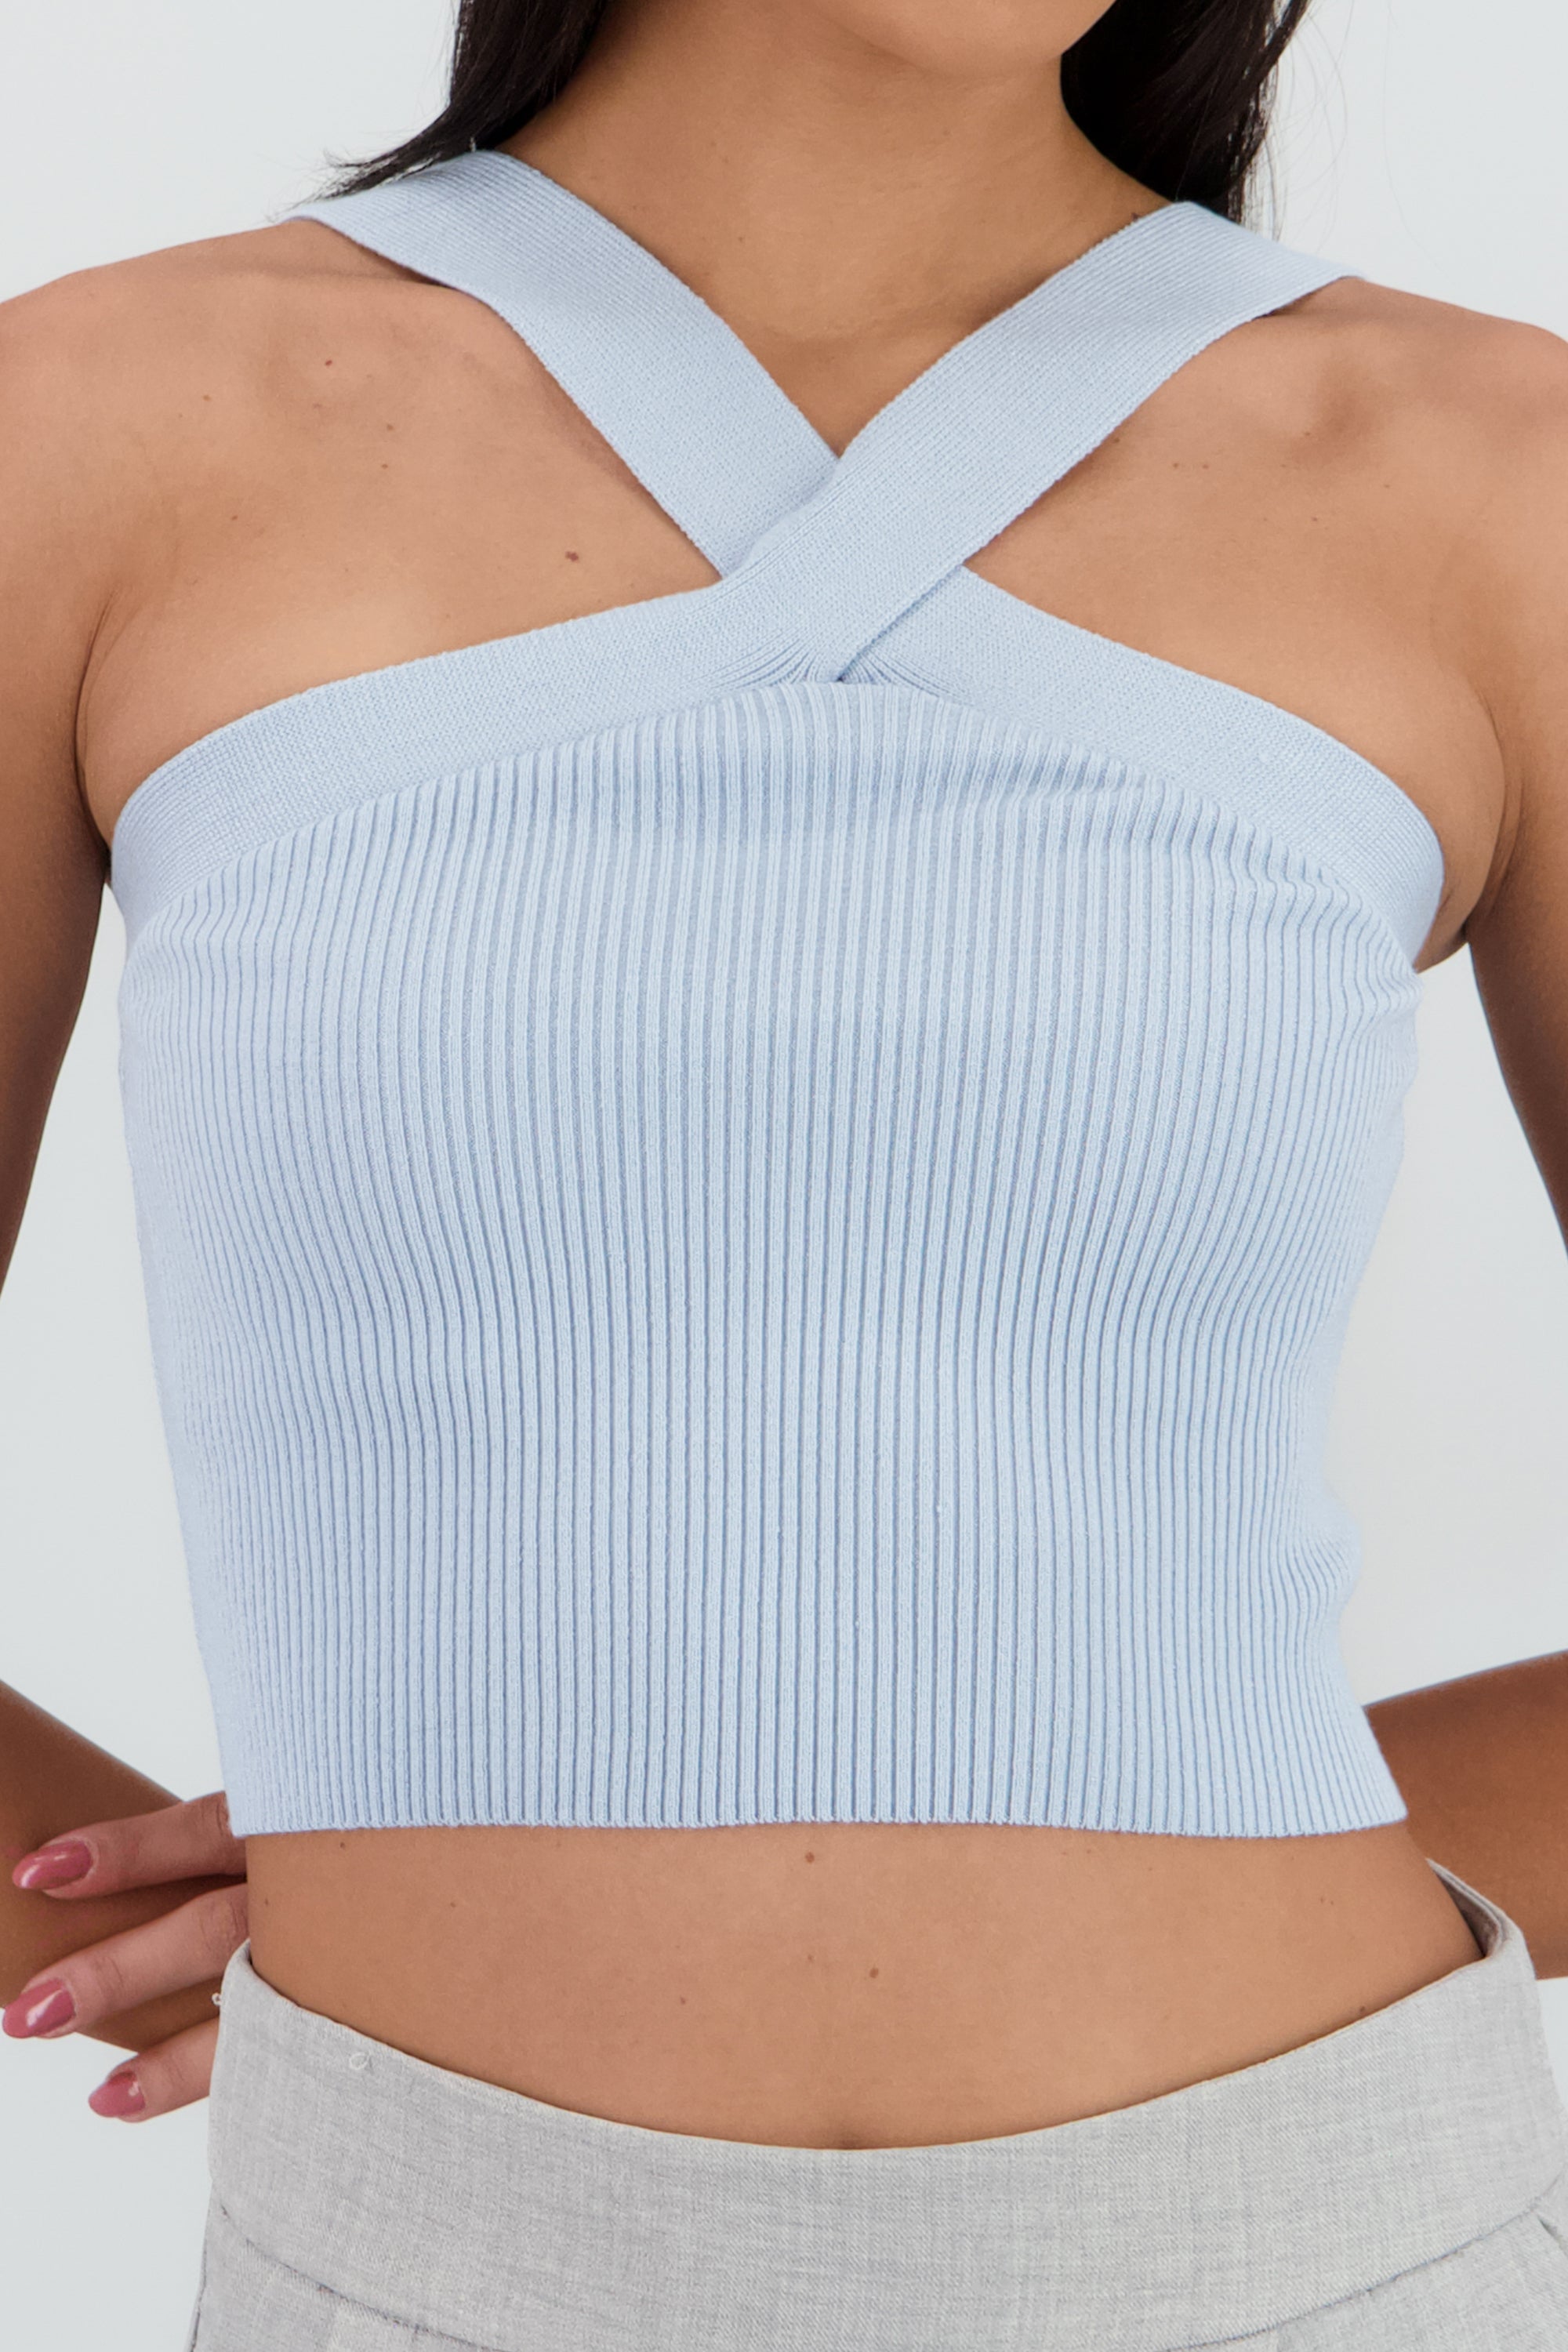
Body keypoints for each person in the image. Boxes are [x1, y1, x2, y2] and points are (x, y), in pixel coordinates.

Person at [3, 0, 1568, 2343]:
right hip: (419, 2255)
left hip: (1322, 2238)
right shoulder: (90, 430)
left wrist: (1189, 1847)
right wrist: (159, 1922)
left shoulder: (1497, 478)